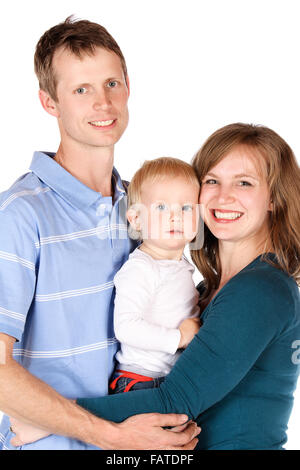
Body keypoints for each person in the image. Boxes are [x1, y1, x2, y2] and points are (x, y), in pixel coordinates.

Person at [11, 123, 300, 450]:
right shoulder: (204, 288)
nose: (223, 196)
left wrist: (50, 419)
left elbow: (173, 403)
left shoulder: (259, 291)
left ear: (274, 198)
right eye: (212, 181)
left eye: (244, 182)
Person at [0, 16, 199, 450]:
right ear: (49, 102)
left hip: (141, 440)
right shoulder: (20, 215)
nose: (103, 103)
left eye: (111, 83)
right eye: (81, 89)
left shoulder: (145, 208)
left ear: (128, 86)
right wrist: (111, 435)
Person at [109, 157, 202, 394]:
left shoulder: (181, 265)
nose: (176, 216)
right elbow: (126, 327)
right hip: (139, 380)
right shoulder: (141, 268)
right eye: (161, 207)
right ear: (136, 219)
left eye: (186, 207)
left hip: (169, 380)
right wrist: (178, 338)